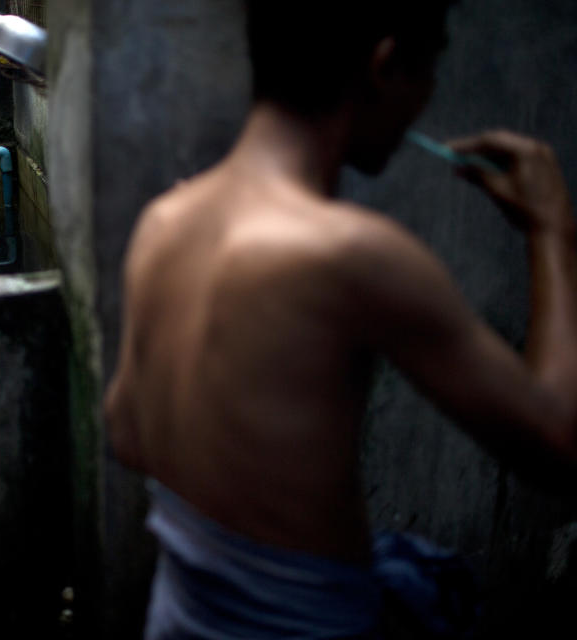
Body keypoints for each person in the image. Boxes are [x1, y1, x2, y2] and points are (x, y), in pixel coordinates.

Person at [104, 2, 577, 638]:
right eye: (429, 70)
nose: (428, 98)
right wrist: (553, 230)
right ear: (384, 66)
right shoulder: (351, 255)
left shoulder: (164, 222)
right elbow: (558, 445)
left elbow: (126, 433)